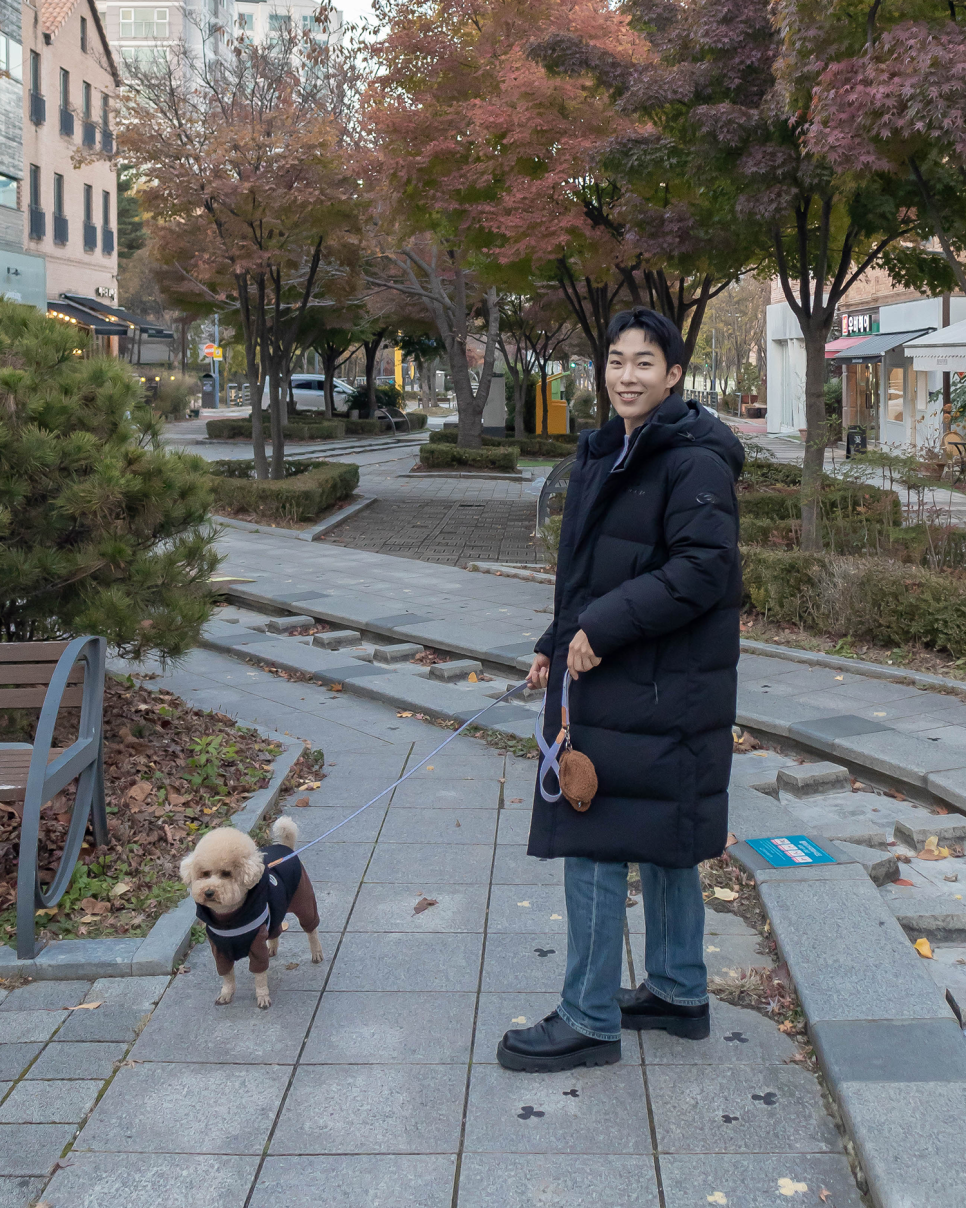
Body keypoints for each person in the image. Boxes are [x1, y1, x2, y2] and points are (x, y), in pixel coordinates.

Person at [497, 307, 744, 1073]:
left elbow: (704, 571)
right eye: (615, 361)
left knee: (596, 833)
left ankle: (588, 1016)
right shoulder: (616, 449)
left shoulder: (692, 459)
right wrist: (555, 639)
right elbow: (591, 570)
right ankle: (676, 991)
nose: (626, 375)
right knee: (665, 835)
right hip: (639, 678)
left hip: (657, 683)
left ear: (674, 375)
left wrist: (598, 627)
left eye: (645, 362)